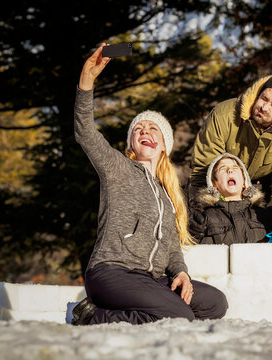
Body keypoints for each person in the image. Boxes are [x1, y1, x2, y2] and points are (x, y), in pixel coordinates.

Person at [71, 44, 228, 325]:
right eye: (138, 130)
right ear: (132, 141)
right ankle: (93, 315)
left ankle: (156, 307)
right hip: (111, 272)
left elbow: (171, 246)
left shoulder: (168, 192)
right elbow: (84, 132)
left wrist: (181, 273)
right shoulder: (116, 166)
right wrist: (86, 83)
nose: (145, 131)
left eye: (152, 128)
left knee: (215, 303)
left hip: (152, 279)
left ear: (163, 145)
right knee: (178, 313)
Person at [189, 72, 272, 202]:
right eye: (264, 98)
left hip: (265, 189)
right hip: (221, 186)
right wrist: (210, 205)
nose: (264, 107)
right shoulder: (224, 115)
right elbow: (206, 166)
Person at [189, 153, 269, 245]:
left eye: (235, 168)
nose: (230, 170)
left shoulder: (261, 215)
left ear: (244, 182)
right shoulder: (204, 218)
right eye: (222, 169)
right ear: (214, 186)